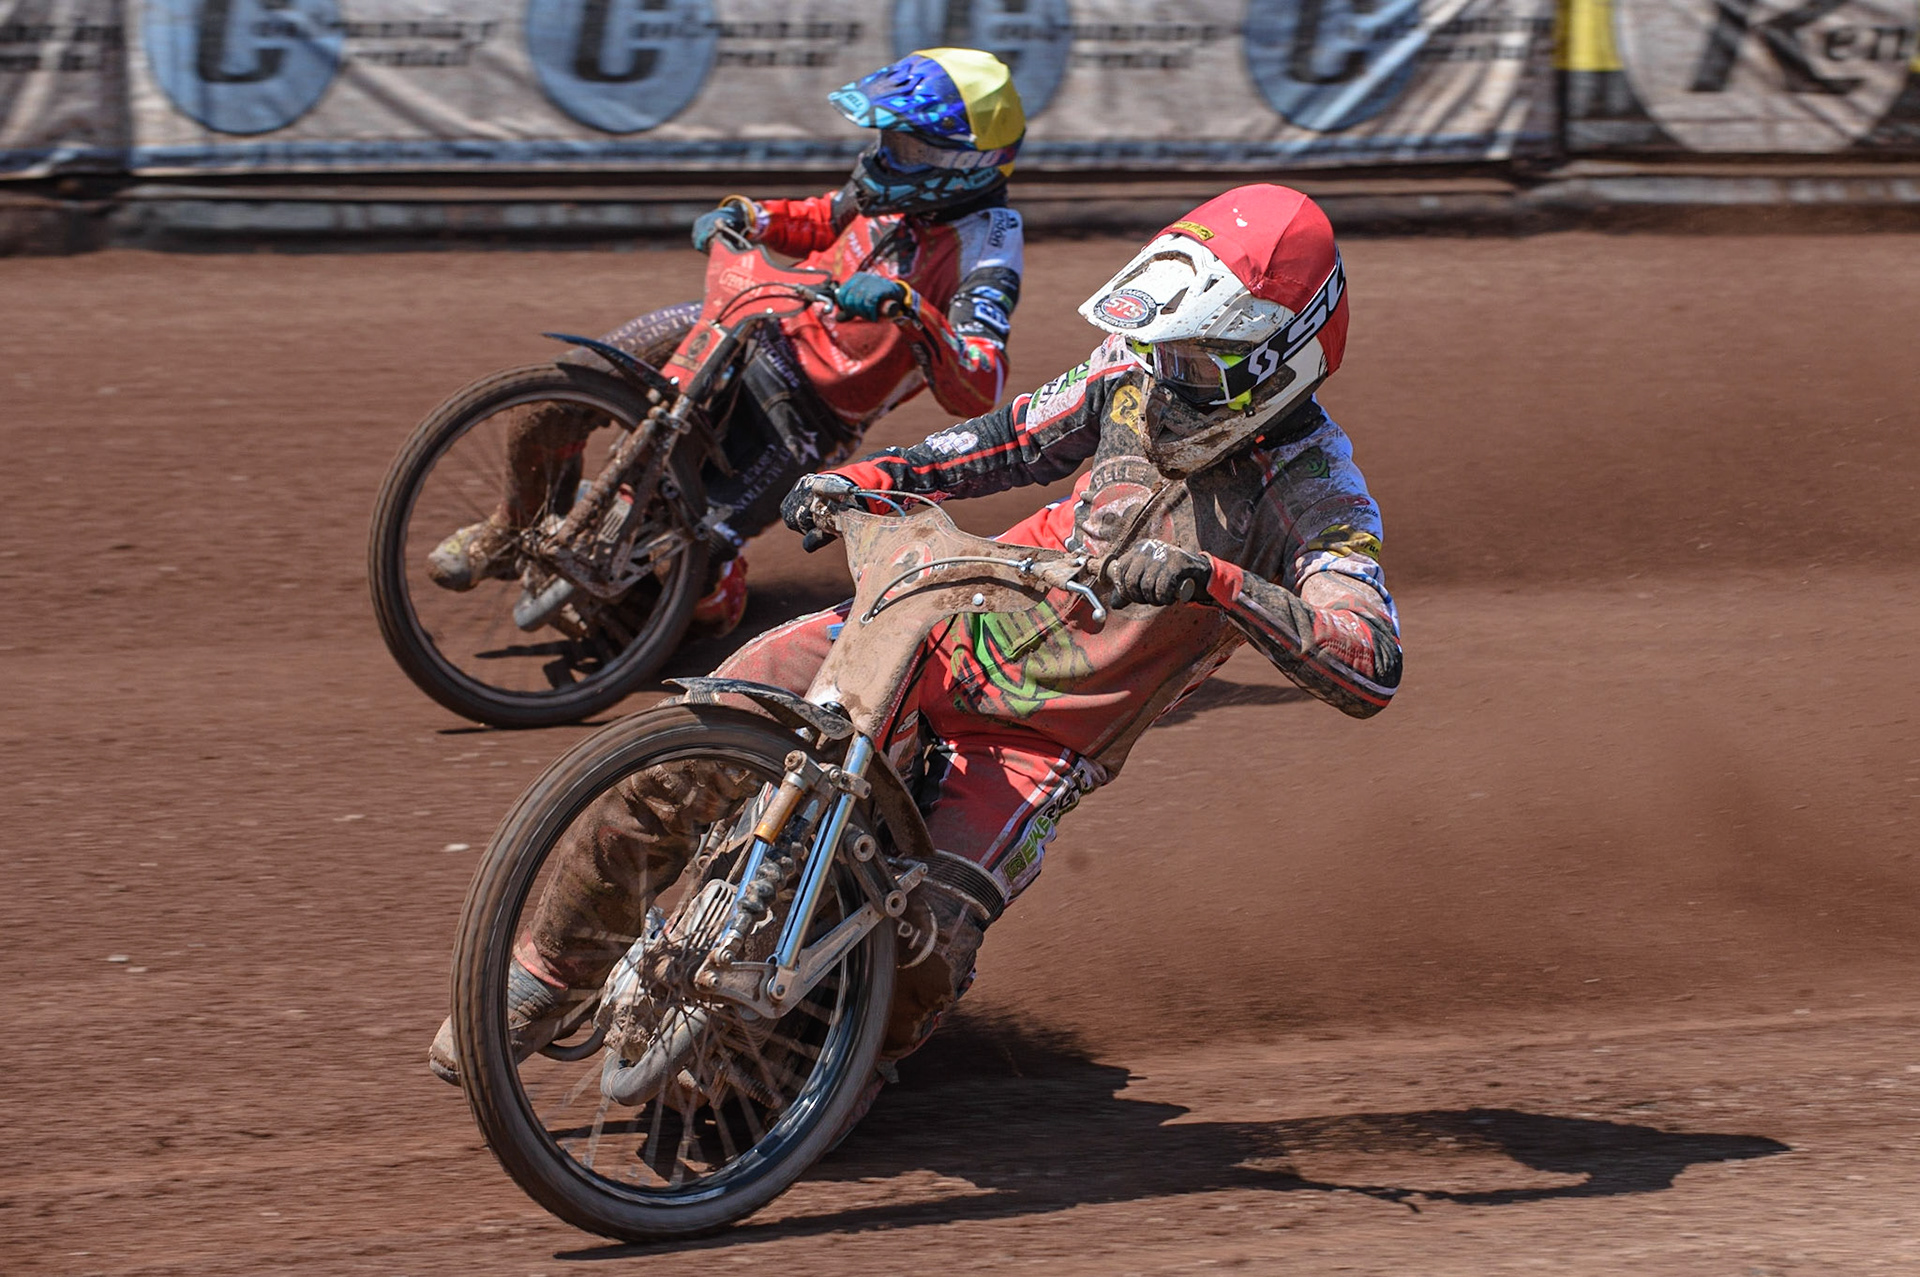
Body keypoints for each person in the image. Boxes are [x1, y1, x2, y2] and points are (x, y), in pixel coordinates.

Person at [430, 184, 1402, 1086]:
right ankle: (541, 975)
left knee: (925, 951)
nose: (1169, 371)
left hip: (1038, 742)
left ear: (1282, 353)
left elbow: (1370, 658)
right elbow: (1005, 439)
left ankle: (810, 1082)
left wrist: (1219, 582)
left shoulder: (1318, 496)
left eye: (1197, 357)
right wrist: (871, 478)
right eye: (1165, 346)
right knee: (691, 744)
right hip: (940, 613)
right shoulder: (1128, 374)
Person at [424, 47, 1029, 636]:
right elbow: (823, 218)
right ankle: (510, 530)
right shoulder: (888, 185)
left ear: (967, 162)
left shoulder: (989, 247)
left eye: (910, 148)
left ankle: (720, 588)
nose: (887, 157)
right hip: (749, 319)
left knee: (679, 579)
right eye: (889, 139)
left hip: (806, 418)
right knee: (554, 400)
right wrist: (749, 217)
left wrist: (910, 309)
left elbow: (982, 382)